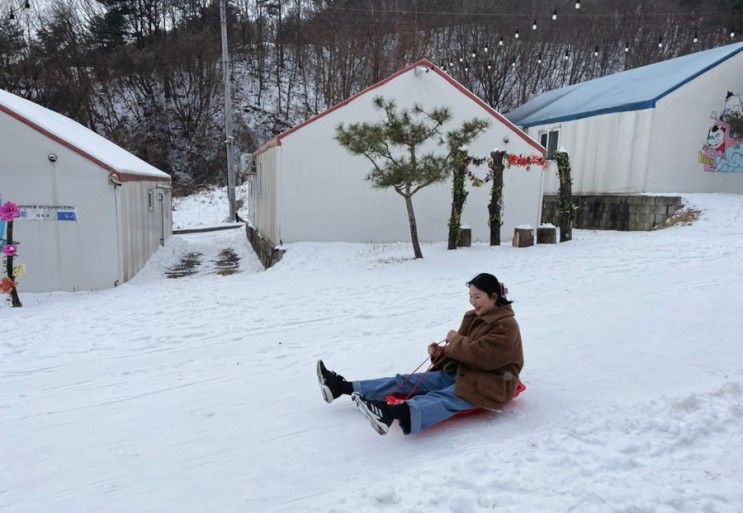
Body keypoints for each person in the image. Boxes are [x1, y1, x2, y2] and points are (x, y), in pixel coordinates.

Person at [317, 272, 524, 436]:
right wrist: (440, 353)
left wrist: (455, 340)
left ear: (494, 297)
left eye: (477, 297)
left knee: (444, 397)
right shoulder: (475, 316)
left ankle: (388, 414)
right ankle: (341, 387)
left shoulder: (506, 325)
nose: (472, 301)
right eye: (470, 296)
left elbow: (482, 355)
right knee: (406, 381)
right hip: (465, 371)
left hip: (491, 382)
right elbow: (461, 351)